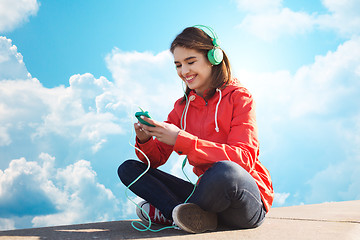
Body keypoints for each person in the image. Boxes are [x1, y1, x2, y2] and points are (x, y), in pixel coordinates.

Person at [118, 25, 274, 234]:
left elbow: (244, 159)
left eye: (191, 62)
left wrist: (182, 140)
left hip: (243, 201)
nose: (184, 71)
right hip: (206, 199)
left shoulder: (239, 97)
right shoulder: (181, 108)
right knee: (129, 169)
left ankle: (170, 213)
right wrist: (145, 139)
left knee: (225, 171)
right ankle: (180, 214)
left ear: (213, 58)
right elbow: (154, 161)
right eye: (178, 65)